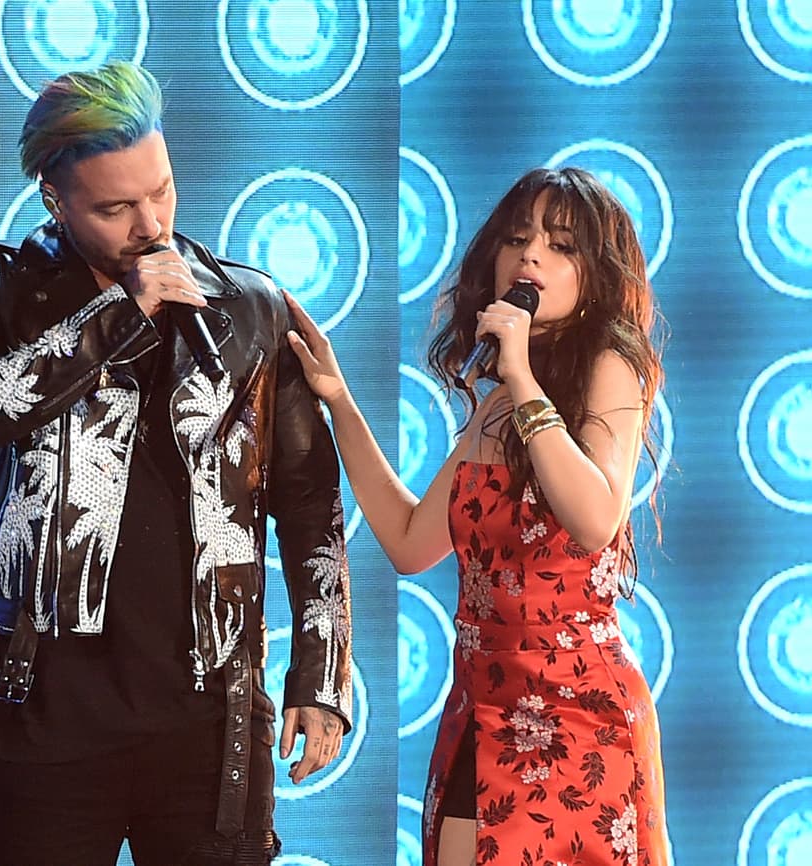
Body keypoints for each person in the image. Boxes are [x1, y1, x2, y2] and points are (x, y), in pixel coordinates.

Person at [0, 60, 352, 866]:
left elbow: (310, 505)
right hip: (50, 708)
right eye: (117, 207)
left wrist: (321, 673)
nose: (151, 223)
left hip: (209, 714)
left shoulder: (251, 306)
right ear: (55, 198)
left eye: (160, 190)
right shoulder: (1, 287)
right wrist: (118, 315)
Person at [286, 166, 669, 866]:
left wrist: (521, 377)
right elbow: (407, 541)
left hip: (578, 711)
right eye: (517, 239)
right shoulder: (496, 408)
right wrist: (339, 401)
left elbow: (594, 515)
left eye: (559, 246)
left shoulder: (611, 365)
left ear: (597, 276)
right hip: (482, 706)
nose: (530, 257)